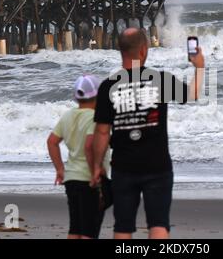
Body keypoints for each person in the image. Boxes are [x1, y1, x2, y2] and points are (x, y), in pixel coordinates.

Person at [91, 28, 205, 239]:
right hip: (157, 164)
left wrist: (97, 166)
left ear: (120, 50)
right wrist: (199, 67)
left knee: (123, 226)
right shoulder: (160, 79)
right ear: (144, 50)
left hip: (123, 166)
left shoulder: (108, 87)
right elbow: (192, 95)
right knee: (159, 224)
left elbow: (102, 132)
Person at [47, 75, 110, 239]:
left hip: (71, 178)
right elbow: (89, 146)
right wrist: (96, 170)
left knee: (75, 228)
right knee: (90, 229)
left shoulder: (68, 115)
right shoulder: (95, 117)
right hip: (88, 179)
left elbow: (52, 142)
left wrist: (60, 169)